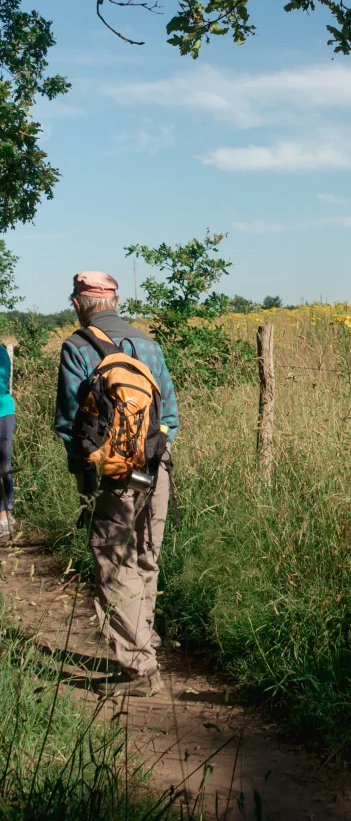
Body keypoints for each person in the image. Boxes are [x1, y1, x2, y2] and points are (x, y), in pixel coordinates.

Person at [55, 271, 179, 697]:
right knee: (146, 557)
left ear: (78, 303)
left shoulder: (76, 346)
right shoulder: (147, 344)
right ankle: (144, 640)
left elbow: (71, 425)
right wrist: (149, 454)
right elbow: (171, 419)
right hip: (157, 468)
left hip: (113, 475)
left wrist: (85, 476)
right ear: (115, 300)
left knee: (113, 561)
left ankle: (139, 668)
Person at [0, 340, 15, 542]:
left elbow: (2, 383)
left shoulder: (0, 352)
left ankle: (3, 514)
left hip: (1, 413)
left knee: (2, 463)